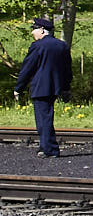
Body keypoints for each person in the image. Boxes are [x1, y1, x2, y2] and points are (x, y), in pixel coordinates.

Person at [17, 19, 73, 157]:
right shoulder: (62, 46)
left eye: (34, 29)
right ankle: (45, 146)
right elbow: (67, 69)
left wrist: (19, 87)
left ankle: (50, 149)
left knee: (43, 119)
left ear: (42, 30)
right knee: (46, 117)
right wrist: (66, 88)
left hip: (40, 88)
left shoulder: (38, 46)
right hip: (55, 87)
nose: (32, 32)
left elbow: (27, 68)